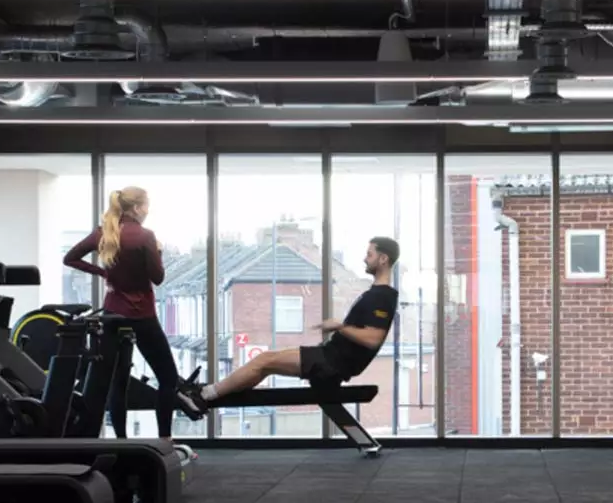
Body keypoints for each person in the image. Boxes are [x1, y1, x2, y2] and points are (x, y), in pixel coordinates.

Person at [180, 236, 399, 413]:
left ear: (383, 259)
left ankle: (204, 396)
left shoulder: (382, 296)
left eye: (369, 254)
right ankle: (209, 394)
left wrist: (339, 327)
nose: (364, 259)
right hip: (329, 356)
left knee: (264, 360)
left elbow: (373, 339)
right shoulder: (376, 294)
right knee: (264, 365)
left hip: (332, 363)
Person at [63, 186, 201, 441]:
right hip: (142, 315)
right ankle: (164, 440)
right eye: (146, 206)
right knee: (168, 379)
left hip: (114, 313)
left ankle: (121, 441)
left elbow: (70, 258)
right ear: (137, 208)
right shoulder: (145, 236)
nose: (148, 211)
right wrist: (157, 251)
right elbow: (158, 278)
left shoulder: (104, 233)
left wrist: (103, 273)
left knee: (117, 381)